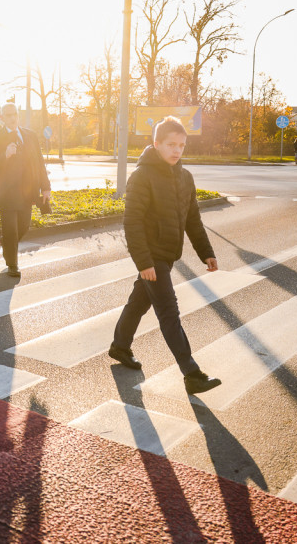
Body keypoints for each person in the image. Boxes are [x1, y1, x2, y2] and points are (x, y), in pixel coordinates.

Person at [108, 116, 222, 395]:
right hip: (153, 256)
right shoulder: (142, 176)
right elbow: (132, 222)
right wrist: (144, 262)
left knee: (138, 303)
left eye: (181, 145)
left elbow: (192, 219)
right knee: (169, 311)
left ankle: (120, 347)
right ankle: (191, 373)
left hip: (167, 255)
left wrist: (206, 252)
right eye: (171, 144)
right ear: (156, 144)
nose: (176, 150)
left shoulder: (185, 177)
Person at [0, 103, 51, 278]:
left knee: (24, 226)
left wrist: (46, 187)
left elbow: (39, 163)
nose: (12, 118)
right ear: (2, 118)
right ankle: (13, 264)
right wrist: (5, 155)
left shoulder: (30, 135)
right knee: (11, 229)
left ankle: (7, 243)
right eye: (8, 115)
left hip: (27, 192)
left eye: (15, 114)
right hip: (6, 192)